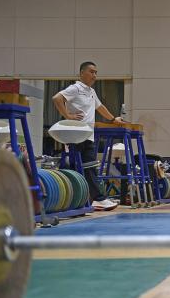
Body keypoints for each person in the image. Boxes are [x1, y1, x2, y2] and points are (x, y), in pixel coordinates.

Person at [52, 61, 124, 211]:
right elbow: (57, 98)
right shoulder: (75, 88)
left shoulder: (91, 91)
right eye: (91, 72)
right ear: (81, 73)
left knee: (83, 168)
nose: (94, 75)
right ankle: (98, 199)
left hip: (87, 135)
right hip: (76, 136)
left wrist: (113, 119)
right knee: (88, 167)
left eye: (96, 72)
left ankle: (82, 199)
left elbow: (100, 107)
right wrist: (68, 116)